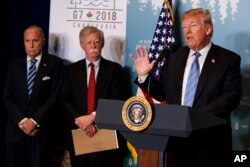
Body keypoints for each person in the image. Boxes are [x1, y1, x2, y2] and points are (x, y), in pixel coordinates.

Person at [131, 8, 242, 167]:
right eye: (184, 27)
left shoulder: (228, 59)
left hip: (210, 143)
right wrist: (143, 76)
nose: (187, 31)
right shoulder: (175, 58)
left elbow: (231, 97)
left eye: (193, 25)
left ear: (208, 29)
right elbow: (162, 93)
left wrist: (195, 117)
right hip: (176, 143)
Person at [60, 26, 128, 167]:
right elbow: (64, 100)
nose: (93, 45)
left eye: (97, 41)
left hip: (105, 134)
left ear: (102, 44)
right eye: (89, 42)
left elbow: (117, 100)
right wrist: (82, 121)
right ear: (82, 45)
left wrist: (93, 117)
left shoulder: (114, 70)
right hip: (79, 134)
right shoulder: (70, 70)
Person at [3, 25, 63, 167]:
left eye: (35, 40)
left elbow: (54, 97)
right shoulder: (14, 64)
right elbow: (7, 97)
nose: (30, 45)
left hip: (41, 133)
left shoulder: (55, 64)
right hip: (16, 132)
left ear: (43, 41)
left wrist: (34, 121)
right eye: (27, 41)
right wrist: (23, 121)